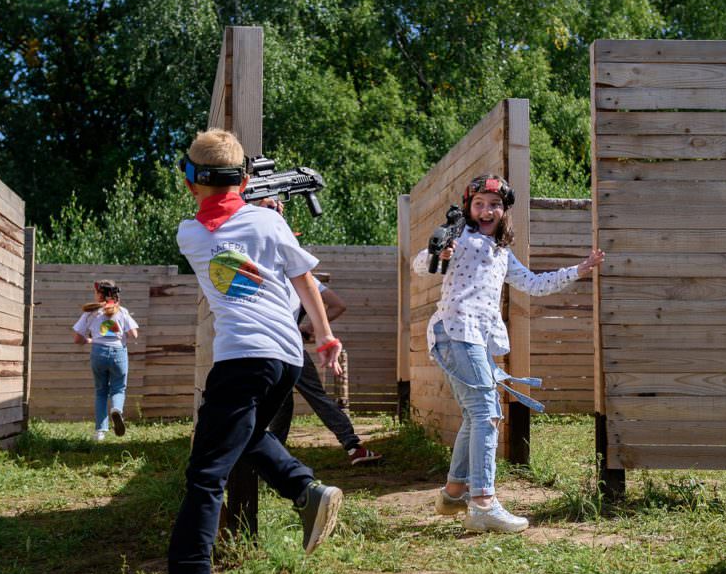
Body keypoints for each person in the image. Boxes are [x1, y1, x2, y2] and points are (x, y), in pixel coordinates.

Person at [168, 128, 345, 574]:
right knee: (246, 436)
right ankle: (304, 490)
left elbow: (220, 228)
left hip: (240, 356)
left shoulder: (188, 234)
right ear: (245, 182)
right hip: (285, 358)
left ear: (190, 182)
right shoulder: (270, 224)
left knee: (205, 475)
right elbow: (304, 280)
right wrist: (325, 338)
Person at [412, 175, 604, 534]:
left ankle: (454, 493)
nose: (487, 210)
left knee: (475, 414)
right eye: (480, 204)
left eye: (494, 205)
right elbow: (421, 262)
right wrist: (439, 252)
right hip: (455, 332)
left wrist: (578, 270)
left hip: (476, 339)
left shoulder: (500, 251)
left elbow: (532, 284)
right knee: (487, 411)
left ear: (504, 211)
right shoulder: (461, 238)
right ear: (469, 208)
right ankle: (482, 502)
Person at [257, 198, 382, 466]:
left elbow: (337, 306)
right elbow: (338, 305)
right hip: (287, 344)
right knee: (300, 399)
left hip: (264, 343)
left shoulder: (259, 269)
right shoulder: (304, 277)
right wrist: (309, 329)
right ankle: (350, 447)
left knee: (284, 401)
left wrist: (308, 329)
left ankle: (274, 458)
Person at [72, 280, 139, 441]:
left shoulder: (91, 312)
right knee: (118, 389)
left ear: (100, 294)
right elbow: (134, 335)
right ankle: (116, 409)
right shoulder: (122, 312)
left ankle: (100, 432)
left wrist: (90, 340)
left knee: (101, 392)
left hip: (98, 353)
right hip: (118, 353)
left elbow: (77, 338)